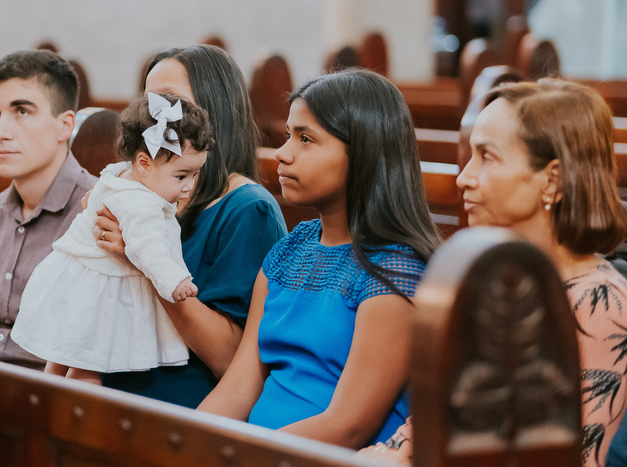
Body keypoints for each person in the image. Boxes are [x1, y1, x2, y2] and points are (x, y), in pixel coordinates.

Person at [365, 80, 627, 467]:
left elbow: (573, 458)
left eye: (487, 157)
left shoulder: (599, 302)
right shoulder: (496, 284)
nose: (463, 177)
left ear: (551, 180)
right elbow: (428, 424)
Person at [198, 69, 440, 448]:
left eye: (306, 139)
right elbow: (238, 388)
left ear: (363, 152)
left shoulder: (394, 270)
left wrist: (240, 457)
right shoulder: (292, 249)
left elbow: (347, 426)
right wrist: (184, 442)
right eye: (288, 135)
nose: (283, 153)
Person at [96, 45, 286, 407]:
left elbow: (231, 359)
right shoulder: (145, 195)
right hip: (112, 385)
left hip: (182, 405)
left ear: (213, 112)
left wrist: (146, 261)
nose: (156, 121)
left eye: (171, 103)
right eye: (150, 104)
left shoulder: (248, 210)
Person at [11, 92, 213, 382]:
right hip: (104, 294)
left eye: (195, 176)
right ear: (143, 163)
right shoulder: (142, 204)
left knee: (61, 358)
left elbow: (102, 193)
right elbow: (147, 246)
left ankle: (47, 402)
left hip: (78, 281)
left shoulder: (119, 175)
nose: (188, 187)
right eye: (182, 176)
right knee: (88, 368)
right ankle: (81, 417)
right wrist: (174, 281)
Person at [0, 50, 97, 367]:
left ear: (65, 126)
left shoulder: (93, 211)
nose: (0, 132)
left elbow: (87, 354)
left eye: (22, 111)